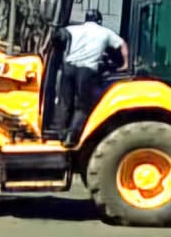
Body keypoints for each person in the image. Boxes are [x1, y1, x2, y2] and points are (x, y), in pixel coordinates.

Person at [54, 9, 128, 147]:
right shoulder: (105, 32)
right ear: (99, 20)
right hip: (87, 71)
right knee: (82, 105)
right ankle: (72, 135)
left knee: (65, 102)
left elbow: (59, 35)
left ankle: (61, 133)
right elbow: (122, 44)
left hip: (68, 67)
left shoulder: (73, 29)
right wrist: (126, 64)